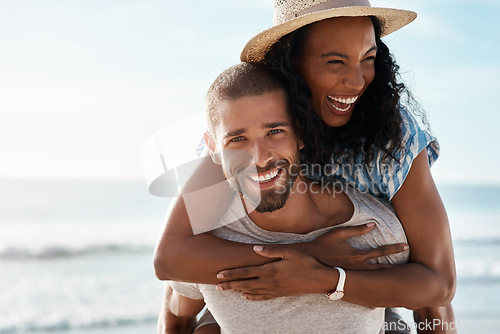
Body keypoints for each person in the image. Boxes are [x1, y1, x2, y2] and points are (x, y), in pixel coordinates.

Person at [154, 0, 456, 332]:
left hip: (362, 283)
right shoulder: (250, 120)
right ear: (291, 61)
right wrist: (307, 254)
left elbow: (439, 285)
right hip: (249, 289)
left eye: (368, 59)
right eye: (335, 61)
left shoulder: (390, 135)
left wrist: (326, 278)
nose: (357, 81)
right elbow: (173, 258)